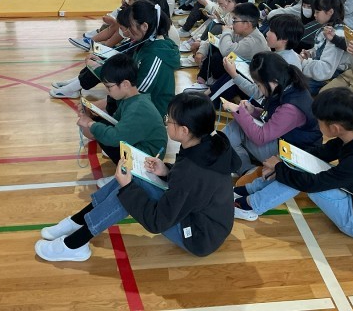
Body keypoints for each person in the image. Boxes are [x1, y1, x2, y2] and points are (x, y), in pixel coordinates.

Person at [35, 92, 242, 262]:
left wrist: (128, 188)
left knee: (131, 188)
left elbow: (157, 222)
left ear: (184, 130)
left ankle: (75, 243)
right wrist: (167, 171)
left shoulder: (192, 171)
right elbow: (194, 188)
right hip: (206, 221)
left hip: (199, 236)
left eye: (169, 120)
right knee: (132, 179)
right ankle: (79, 221)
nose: (166, 122)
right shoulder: (209, 143)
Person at [233, 87, 353, 242]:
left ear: (335, 128)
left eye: (319, 121)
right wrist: (284, 158)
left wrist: (280, 167)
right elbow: (322, 152)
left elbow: (312, 184)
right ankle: (251, 189)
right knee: (298, 165)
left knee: (304, 176)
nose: (317, 124)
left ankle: (250, 206)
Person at [51, 0, 179, 119]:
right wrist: (99, 67)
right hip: (137, 105)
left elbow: (137, 93)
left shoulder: (155, 54)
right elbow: (130, 79)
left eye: (130, 26)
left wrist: (101, 105)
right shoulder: (147, 43)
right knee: (90, 123)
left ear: (144, 26)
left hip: (149, 113)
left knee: (92, 126)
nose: (127, 31)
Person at [222, 52, 322, 176]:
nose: (258, 88)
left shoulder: (291, 108)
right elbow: (275, 117)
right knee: (237, 130)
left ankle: (226, 158)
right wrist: (253, 111)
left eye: (258, 85)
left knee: (237, 129)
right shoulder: (288, 86)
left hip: (294, 156)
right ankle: (245, 169)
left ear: (273, 82)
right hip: (287, 143)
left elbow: (260, 138)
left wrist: (238, 111)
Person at [76, 53, 167, 173]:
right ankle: (126, 172)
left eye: (109, 87)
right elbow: (115, 122)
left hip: (148, 161)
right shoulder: (130, 99)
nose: (107, 91)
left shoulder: (138, 108)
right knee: (101, 127)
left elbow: (114, 138)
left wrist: (90, 123)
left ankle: (129, 175)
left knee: (105, 135)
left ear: (125, 84)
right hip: (141, 147)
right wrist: (91, 116)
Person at [223, 14, 303, 102]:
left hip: (266, 102)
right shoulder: (289, 55)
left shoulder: (279, 63)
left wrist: (233, 74)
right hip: (271, 100)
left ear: (284, 39)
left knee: (231, 79)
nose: (267, 33)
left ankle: (211, 102)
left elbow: (257, 93)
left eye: (271, 31)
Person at [297, 0, 351, 95]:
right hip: (322, 73)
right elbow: (321, 50)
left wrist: (303, 62)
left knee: (295, 88)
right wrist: (311, 53)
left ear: (330, 12)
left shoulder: (337, 33)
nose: (314, 15)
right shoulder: (326, 28)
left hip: (329, 78)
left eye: (317, 12)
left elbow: (325, 71)